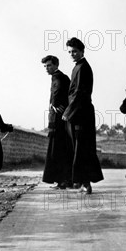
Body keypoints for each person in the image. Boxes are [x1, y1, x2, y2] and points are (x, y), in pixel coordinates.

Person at [62, 38, 104, 194]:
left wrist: (67, 113)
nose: (72, 54)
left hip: (81, 113)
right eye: (69, 52)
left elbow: (79, 94)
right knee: (81, 148)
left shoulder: (82, 68)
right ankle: (82, 182)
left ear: (81, 51)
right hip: (79, 112)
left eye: (74, 51)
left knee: (81, 148)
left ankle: (85, 183)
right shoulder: (78, 67)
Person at [40, 56, 73, 189]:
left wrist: (54, 103)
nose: (46, 68)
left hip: (58, 120)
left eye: (48, 65)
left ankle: (62, 181)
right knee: (62, 150)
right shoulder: (62, 77)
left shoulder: (57, 77)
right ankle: (65, 180)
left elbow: (57, 91)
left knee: (57, 150)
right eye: (45, 66)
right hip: (62, 119)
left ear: (55, 65)